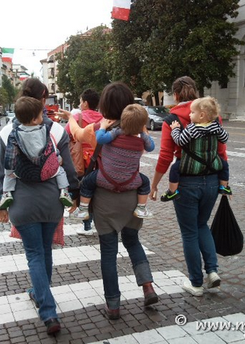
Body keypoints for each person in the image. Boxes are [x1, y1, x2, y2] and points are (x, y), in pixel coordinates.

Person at [64, 82, 159, 320]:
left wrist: (70, 118)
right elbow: (148, 145)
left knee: (108, 251)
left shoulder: (99, 127)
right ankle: (147, 286)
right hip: (132, 194)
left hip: (105, 197)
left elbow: (76, 134)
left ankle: (114, 304)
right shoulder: (137, 128)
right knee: (132, 241)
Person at [0, 78, 79, 336]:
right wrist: (74, 193)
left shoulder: (8, 132)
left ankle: (47, 310)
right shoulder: (56, 131)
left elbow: (1, 172)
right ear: (43, 99)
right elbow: (68, 168)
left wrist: (0, 203)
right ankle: (42, 295)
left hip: (22, 202)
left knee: (34, 254)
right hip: (52, 200)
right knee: (45, 250)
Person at [150, 76, 228, 296]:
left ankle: (196, 283)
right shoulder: (213, 116)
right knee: (202, 224)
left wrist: (155, 184)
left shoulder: (172, 119)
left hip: (186, 181)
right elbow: (221, 151)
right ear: (195, 91)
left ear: (176, 95)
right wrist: (224, 180)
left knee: (189, 232)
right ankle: (212, 271)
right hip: (212, 179)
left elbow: (165, 156)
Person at [70, 104, 155, 221]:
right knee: (145, 182)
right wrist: (144, 133)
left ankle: (83, 208)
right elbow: (151, 147)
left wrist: (103, 127)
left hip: (105, 177)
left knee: (87, 181)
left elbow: (100, 139)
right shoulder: (142, 137)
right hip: (130, 180)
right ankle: (141, 207)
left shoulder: (117, 132)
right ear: (143, 124)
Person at [0, 96, 73, 210]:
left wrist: (10, 169)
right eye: (41, 115)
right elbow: (51, 149)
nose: (43, 117)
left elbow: (10, 156)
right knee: (60, 170)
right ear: (34, 119)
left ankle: (7, 193)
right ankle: (65, 191)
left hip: (23, 173)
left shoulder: (14, 134)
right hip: (47, 171)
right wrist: (58, 158)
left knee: (9, 173)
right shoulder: (45, 130)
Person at [161, 96, 230, 202]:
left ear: (201, 115)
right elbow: (224, 139)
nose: (189, 114)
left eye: (192, 112)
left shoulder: (192, 128)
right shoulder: (216, 126)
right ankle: (224, 186)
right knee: (224, 165)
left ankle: (172, 192)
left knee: (175, 169)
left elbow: (180, 141)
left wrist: (175, 129)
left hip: (191, 165)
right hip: (212, 163)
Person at [64, 88, 104, 236]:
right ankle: (98, 222)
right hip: (101, 160)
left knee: (84, 192)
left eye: (81, 101)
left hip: (83, 162)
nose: (80, 104)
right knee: (98, 192)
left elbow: (66, 134)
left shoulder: (77, 117)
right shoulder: (103, 118)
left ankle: (87, 225)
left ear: (86, 103)